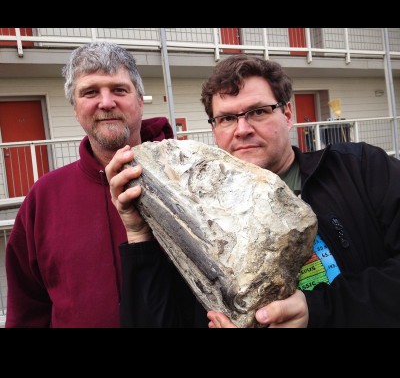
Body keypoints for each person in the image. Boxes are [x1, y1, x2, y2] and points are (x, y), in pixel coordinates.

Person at [106, 54, 400, 328]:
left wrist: (319, 309)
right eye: (227, 118)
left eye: (258, 112)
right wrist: (139, 235)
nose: (242, 129)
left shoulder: (359, 169)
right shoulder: (193, 215)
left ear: (286, 115)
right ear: (214, 129)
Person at [5, 42, 174, 327]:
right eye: (90, 92)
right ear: (74, 108)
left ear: (140, 101)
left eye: (119, 90)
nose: (106, 103)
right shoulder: (43, 199)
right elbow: (27, 310)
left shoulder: (185, 179)